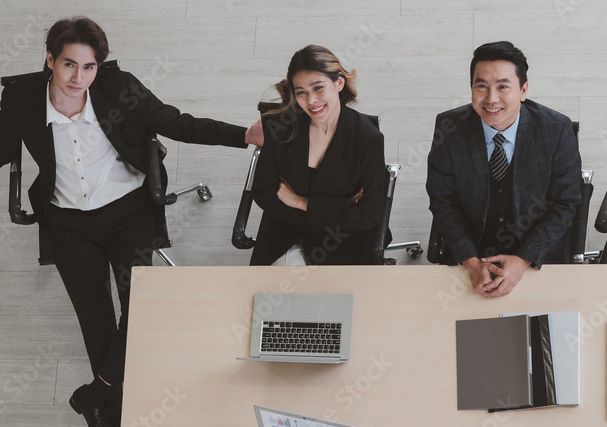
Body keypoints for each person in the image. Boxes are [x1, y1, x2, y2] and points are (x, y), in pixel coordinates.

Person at [0, 17, 262, 427]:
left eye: (89, 67)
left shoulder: (119, 88)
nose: (78, 78)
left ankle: (95, 396)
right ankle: (120, 426)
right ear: (49, 59)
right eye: (69, 64)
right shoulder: (23, 98)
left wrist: (241, 135)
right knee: (97, 324)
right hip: (69, 222)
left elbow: (177, 123)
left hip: (128, 212)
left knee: (141, 313)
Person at [426, 41, 582, 298]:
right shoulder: (449, 127)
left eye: (503, 86)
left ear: (523, 90)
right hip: (470, 262)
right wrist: (472, 262)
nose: (491, 99)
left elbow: (565, 203)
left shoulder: (556, 129)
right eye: (481, 86)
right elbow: (443, 202)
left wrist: (523, 260)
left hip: (536, 260)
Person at [249, 45, 388, 266]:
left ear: (339, 83)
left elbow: (368, 215)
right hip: (287, 234)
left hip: (342, 241)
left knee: (331, 298)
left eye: (318, 88)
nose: (311, 101)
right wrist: (337, 208)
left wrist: (300, 202)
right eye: (301, 92)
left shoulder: (367, 138)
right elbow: (264, 192)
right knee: (275, 296)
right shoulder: (282, 127)